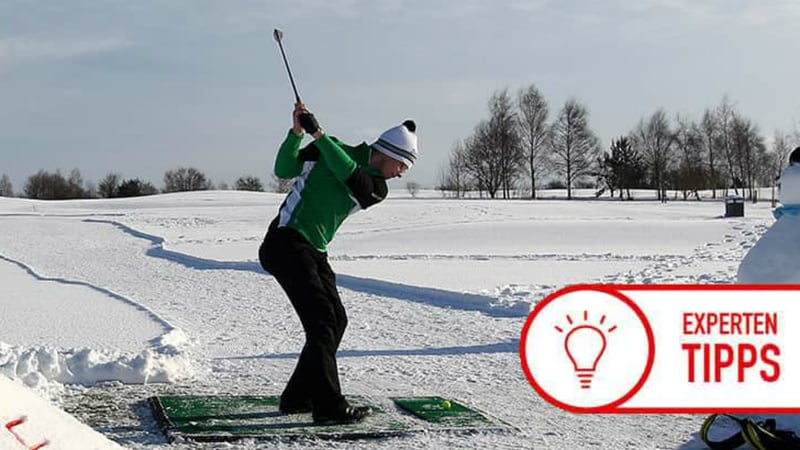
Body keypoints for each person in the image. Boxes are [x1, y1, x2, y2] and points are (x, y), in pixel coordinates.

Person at [258, 103, 418, 424]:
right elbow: (284, 168)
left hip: (313, 250)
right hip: (286, 241)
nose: (401, 173)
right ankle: (328, 405)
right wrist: (297, 134)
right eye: (402, 165)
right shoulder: (325, 150)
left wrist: (320, 134)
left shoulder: (376, 187)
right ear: (387, 154)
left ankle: (297, 397)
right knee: (321, 322)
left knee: (336, 321)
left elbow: (350, 173)